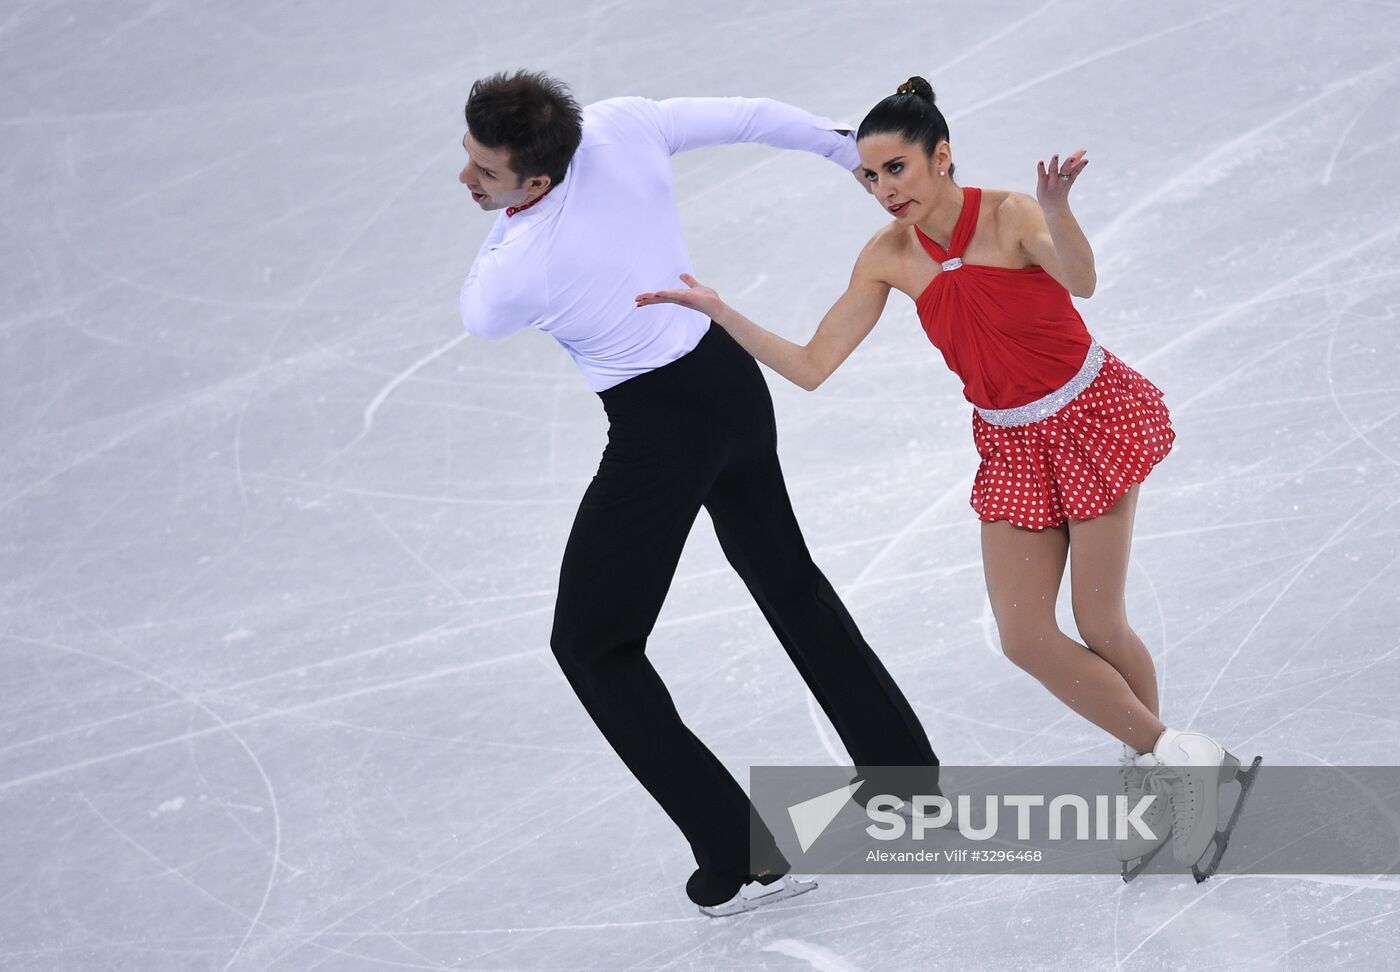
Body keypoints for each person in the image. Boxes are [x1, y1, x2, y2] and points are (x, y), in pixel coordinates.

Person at [636, 76, 1261, 882]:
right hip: (1008, 446)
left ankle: (1167, 783)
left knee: (1099, 621)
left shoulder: (1012, 215)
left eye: (896, 169)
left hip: (1087, 416)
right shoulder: (889, 258)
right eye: (869, 177)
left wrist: (1059, 208)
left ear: (942, 156)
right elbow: (813, 364)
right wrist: (724, 315)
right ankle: (1189, 763)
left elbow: (1081, 281)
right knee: (1024, 637)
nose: (883, 190)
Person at [457, 70, 941, 915]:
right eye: (468, 159)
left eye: (487, 175)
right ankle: (906, 782)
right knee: (788, 581)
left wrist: (515, 222)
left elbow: (479, 314)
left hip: (659, 431)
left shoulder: (516, 264)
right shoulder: (619, 125)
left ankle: (740, 853)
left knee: (593, 646)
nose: (467, 180)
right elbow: (755, 115)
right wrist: (854, 162)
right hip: (728, 377)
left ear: (537, 181)